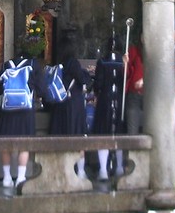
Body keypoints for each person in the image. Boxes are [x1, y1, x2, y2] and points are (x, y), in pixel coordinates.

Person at [0, 46, 44, 190]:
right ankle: (21, 177)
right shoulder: (33, 65)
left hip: (7, 110)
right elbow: (41, 88)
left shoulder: (6, 65)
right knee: (24, 144)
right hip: (25, 111)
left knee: (5, 144)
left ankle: (6, 177)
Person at [48, 34, 93, 179]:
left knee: (62, 137)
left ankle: (61, 167)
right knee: (78, 136)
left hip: (60, 105)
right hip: (73, 105)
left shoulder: (59, 63)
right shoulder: (73, 63)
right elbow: (82, 79)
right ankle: (79, 170)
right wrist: (88, 74)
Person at [92, 37, 126, 180]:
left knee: (103, 132)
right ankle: (119, 167)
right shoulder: (123, 62)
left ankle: (103, 170)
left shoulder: (102, 61)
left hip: (105, 99)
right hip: (120, 99)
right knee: (118, 131)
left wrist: (95, 92)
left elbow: (98, 83)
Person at [123, 33, 145, 137]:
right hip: (134, 96)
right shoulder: (134, 50)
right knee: (132, 132)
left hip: (151, 99)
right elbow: (126, 75)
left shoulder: (158, 53)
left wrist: (145, 80)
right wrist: (125, 64)